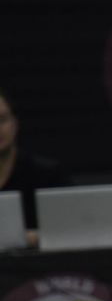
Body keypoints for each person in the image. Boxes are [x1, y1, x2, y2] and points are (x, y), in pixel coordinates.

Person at [0, 88, 70, 235]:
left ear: (14, 124)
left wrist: (33, 238)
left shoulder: (47, 175)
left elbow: (71, 227)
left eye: (2, 120)